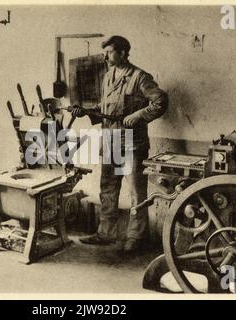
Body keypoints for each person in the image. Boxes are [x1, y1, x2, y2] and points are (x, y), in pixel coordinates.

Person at [72, 35, 168, 254]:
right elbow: (105, 108)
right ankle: (106, 233)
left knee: (136, 192)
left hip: (132, 144)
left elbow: (161, 101)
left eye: (110, 52)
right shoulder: (108, 76)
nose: (105, 56)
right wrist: (84, 110)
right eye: (104, 52)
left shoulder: (140, 77)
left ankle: (136, 237)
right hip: (111, 141)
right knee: (108, 189)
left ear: (123, 53)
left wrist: (139, 115)